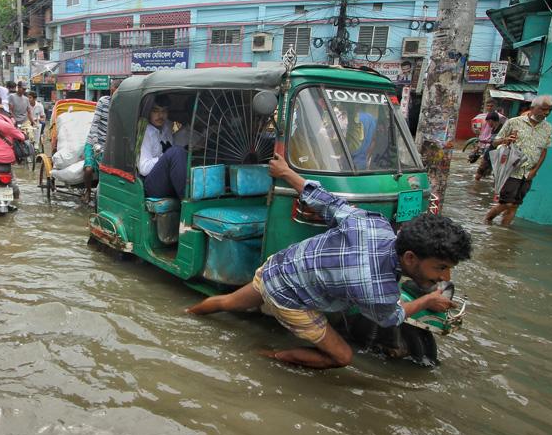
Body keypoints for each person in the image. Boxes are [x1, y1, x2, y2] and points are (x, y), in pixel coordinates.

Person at [188, 156, 471, 369]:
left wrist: (286, 171)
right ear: (410, 257)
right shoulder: (377, 290)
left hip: (278, 268)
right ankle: (267, 358)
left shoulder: (374, 225)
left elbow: (324, 200)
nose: (443, 276)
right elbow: (394, 316)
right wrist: (427, 301)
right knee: (342, 357)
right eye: (440, 267)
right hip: (288, 297)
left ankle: (187, 314)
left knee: (226, 302)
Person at [484, 95, 552, 226]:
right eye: (544, 109)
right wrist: (505, 140)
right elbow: (494, 142)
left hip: (528, 173)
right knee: (506, 203)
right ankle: (487, 220)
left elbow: (544, 151)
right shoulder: (514, 122)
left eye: (550, 110)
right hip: (510, 170)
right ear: (533, 108)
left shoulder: (548, 128)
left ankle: (503, 233)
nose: (547, 113)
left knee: (515, 205)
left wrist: (535, 170)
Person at [139, 95, 187, 199]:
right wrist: (165, 157)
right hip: (151, 185)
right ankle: (186, 199)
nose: (160, 115)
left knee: (183, 152)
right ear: (148, 112)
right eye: (155, 111)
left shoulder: (167, 126)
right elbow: (143, 168)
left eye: (164, 111)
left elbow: (184, 128)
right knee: (175, 152)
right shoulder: (145, 132)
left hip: (168, 180)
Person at [82, 80, 120, 204]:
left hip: (110, 145)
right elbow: (95, 124)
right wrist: (95, 143)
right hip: (94, 141)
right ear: (111, 90)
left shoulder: (122, 106)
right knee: (88, 169)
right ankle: (87, 191)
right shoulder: (103, 102)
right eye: (114, 91)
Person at [472, 101, 506, 181]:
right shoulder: (482, 118)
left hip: (494, 150)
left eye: (491, 106)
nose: (489, 107)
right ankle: (480, 184)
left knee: (487, 168)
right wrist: (478, 144)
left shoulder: (501, 122)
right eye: (488, 106)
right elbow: (479, 131)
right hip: (487, 147)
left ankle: (479, 183)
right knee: (483, 166)